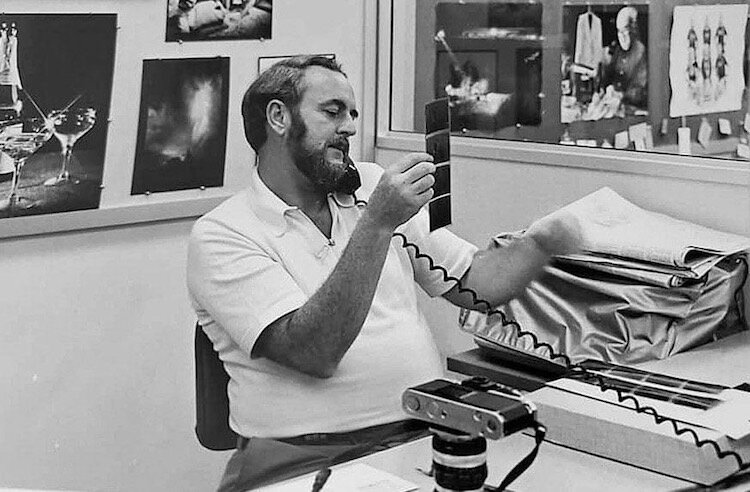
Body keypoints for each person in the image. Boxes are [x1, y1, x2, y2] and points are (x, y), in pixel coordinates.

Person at [186, 55, 581, 491]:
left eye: (352, 114)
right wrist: (377, 223)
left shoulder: (370, 187)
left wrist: (546, 241)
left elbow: (476, 284)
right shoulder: (222, 233)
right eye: (332, 111)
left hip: (417, 435)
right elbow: (315, 352)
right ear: (278, 117)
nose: (350, 127)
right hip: (301, 456)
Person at [601, 6, 647, 110]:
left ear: (634, 29)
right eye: (618, 31)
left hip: (634, 110)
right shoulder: (618, 50)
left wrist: (622, 95)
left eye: (625, 30)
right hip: (616, 106)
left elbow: (640, 89)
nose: (621, 36)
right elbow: (610, 74)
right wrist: (608, 87)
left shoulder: (641, 51)